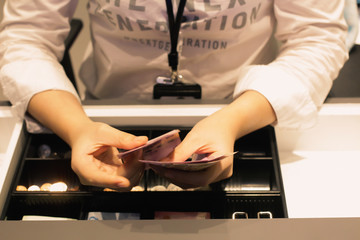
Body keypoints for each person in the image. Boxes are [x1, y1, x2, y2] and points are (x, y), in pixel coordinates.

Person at [0, 1, 348, 190]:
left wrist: (232, 120)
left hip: (244, 113)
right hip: (104, 113)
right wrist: (76, 128)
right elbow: (25, 38)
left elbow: (317, 39)